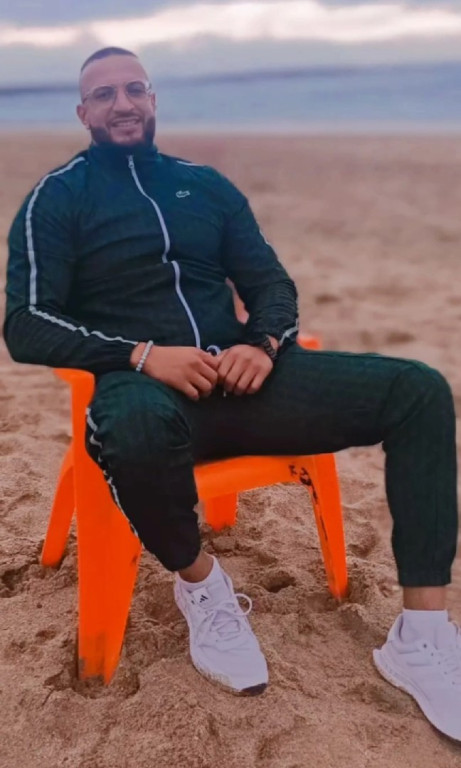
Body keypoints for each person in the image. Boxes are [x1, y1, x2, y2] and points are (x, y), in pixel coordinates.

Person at [4, 47, 460, 738]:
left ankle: (420, 637)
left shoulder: (205, 187)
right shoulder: (58, 198)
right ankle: (202, 586)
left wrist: (263, 344)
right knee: (130, 431)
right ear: (82, 112)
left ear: (153, 100)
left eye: (134, 89)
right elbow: (25, 323)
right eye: (104, 94)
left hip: (247, 383)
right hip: (147, 392)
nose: (122, 103)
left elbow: (270, 284)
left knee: (419, 391)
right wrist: (140, 355)